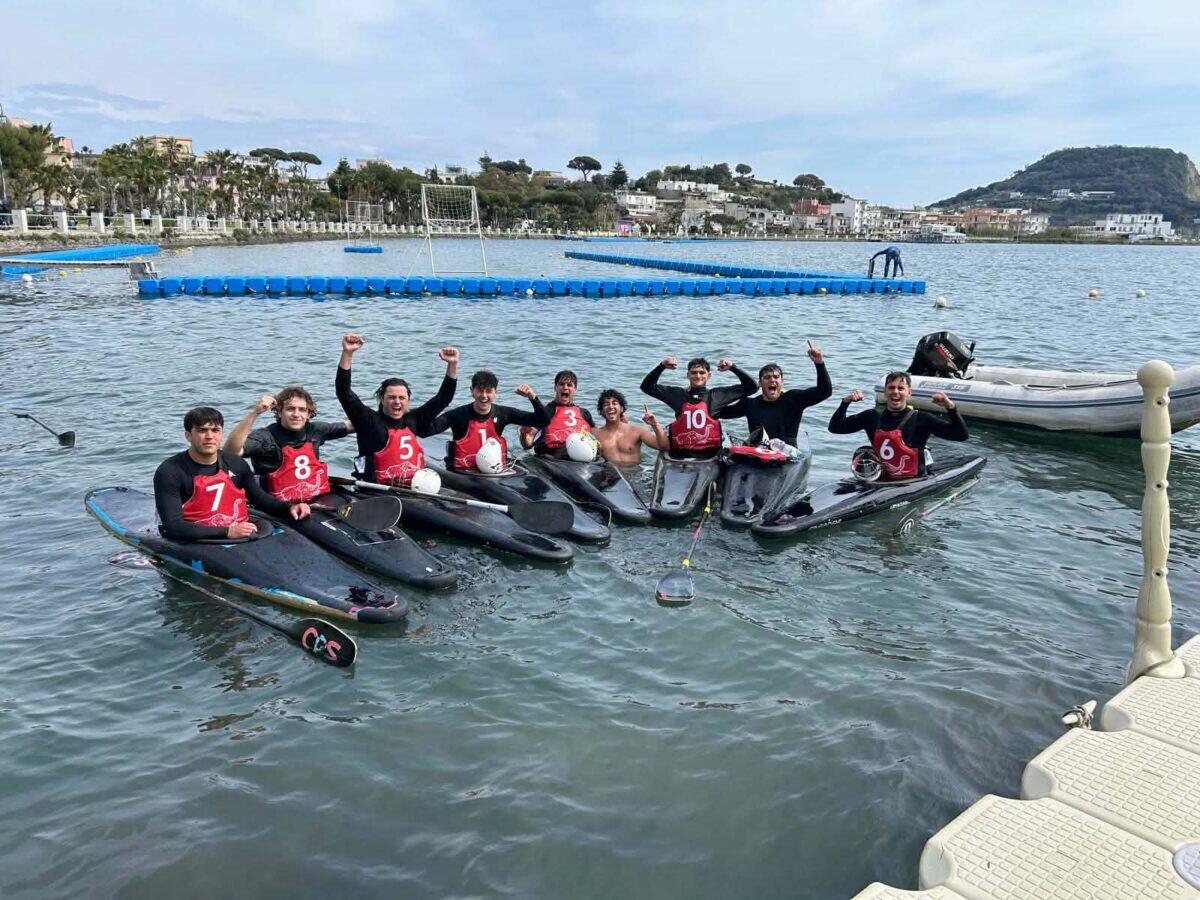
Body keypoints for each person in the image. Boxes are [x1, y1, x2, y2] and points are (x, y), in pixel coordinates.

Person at [153, 406, 309, 541]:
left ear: (221, 434)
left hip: (236, 531)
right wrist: (227, 532)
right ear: (188, 436)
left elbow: (259, 499)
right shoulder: (169, 471)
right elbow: (174, 526)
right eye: (202, 431)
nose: (209, 436)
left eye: (215, 430)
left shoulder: (235, 463)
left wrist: (290, 507)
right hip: (200, 538)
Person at [335, 333, 458, 484]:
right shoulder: (369, 421)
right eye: (391, 397)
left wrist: (452, 365)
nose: (397, 402)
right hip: (378, 491)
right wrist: (347, 353)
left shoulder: (413, 420)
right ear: (382, 399)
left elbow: (443, 398)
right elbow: (344, 392)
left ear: (408, 400)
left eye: (402, 398)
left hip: (413, 486)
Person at [828, 372, 968, 479]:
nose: (895, 392)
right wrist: (845, 402)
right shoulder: (871, 417)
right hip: (880, 478)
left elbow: (960, 435)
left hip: (914, 480)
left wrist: (951, 407)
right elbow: (835, 428)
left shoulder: (922, 419)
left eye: (901, 388)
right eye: (891, 388)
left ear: (909, 392)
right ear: (885, 392)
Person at [223, 386, 353, 500]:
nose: (296, 414)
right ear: (279, 412)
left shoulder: (316, 430)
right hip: (275, 503)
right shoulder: (265, 437)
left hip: (313, 497)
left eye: (302, 409)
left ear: (308, 413)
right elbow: (230, 452)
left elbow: (354, 425)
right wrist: (255, 413)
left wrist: (371, 415)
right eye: (290, 409)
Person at [428, 370, 548, 472]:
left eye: (489, 391)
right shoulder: (457, 414)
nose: (484, 396)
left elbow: (543, 420)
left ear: (496, 392)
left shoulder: (503, 413)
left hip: (493, 470)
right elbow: (428, 430)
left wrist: (532, 397)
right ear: (472, 391)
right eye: (480, 390)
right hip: (463, 471)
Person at [717, 340, 831, 448]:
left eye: (776, 377)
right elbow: (719, 412)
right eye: (767, 377)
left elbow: (825, 391)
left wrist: (819, 363)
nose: (772, 380)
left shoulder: (794, 399)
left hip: (787, 456)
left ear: (782, 382)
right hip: (757, 453)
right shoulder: (750, 404)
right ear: (760, 383)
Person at [640, 355, 755, 456]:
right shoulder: (677, 395)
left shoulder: (717, 395)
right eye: (694, 372)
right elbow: (647, 387)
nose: (698, 376)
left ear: (709, 375)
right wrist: (662, 366)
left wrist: (733, 367)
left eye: (702, 372)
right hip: (680, 454)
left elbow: (752, 387)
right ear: (688, 375)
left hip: (710, 454)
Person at [517, 369, 595, 457]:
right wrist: (524, 433)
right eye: (561, 384)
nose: (565, 387)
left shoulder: (584, 413)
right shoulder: (546, 412)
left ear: (575, 389)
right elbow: (527, 444)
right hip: (553, 458)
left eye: (569, 385)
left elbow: (596, 438)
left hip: (580, 457)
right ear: (555, 387)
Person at [593, 389, 669, 466]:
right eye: (606, 404)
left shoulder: (637, 431)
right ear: (601, 411)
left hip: (635, 475)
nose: (611, 406)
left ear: (621, 408)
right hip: (609, 476)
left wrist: (655, 424)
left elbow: (663, 446)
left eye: (614, 403)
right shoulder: (595, 434)